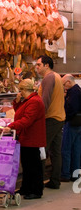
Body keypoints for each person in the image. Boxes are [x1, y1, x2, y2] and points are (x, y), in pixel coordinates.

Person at [4, 79, 46, 200]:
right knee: (27, 165)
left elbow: (27, 120)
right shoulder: (29, 100)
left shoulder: (34, 102)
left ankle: (36, 190)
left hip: (32, 137)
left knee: (34, 165)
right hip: (26, 136)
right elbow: (20, 113)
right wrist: (16, 103)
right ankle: (26, 188)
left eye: (20, 90)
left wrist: (10, 126)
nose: (19, 92)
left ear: (23, 90)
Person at [36, 55, 66, 189]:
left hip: (51, 118)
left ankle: (38, 183)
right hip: (59, 117)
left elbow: (45, 100)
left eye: (38, 65)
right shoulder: (57, 76)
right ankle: (55, 180)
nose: (36, 67)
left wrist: (36, 117)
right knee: (55, 151)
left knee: (41, 149)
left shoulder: (48, 78)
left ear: (46, 65)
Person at [61, 75, 81, 182]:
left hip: (71, 123)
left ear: (68, 82)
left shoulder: (73, 92)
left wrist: (65, 118)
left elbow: (71, 108)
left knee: (66, 149)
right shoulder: (78, 90)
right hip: (78, 124)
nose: (64, 87)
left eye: (64, 84)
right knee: (76, 150)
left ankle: (65, 174)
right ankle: (75, 174)